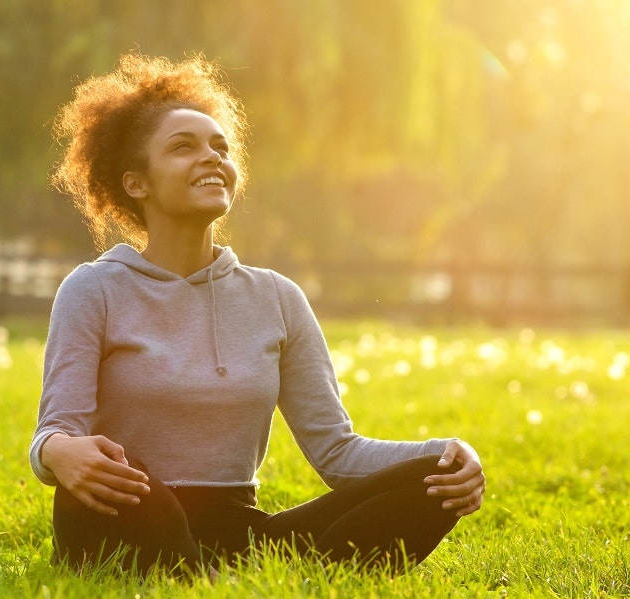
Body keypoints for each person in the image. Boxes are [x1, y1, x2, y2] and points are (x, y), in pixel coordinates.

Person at [30, 53, 485, 578]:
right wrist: (58, 454)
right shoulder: (93, 289)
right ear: (137, 183)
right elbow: (55, 432)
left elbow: (337, 452)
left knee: (434, 480)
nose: (211, 158)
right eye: (184, 147)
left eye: (220, 147)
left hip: (239, 532)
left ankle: (206, 575)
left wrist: (451, 453)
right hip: (127, 511)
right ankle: (212, 575)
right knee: (135, 490)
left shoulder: (277, 297)